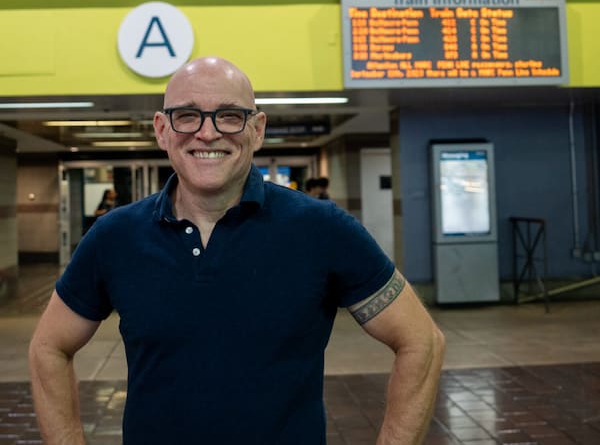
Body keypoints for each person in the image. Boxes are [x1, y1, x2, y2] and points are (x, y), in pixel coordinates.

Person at [29, 56, 445, 445]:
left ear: (257, 129)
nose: (207, 133)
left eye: (230, 116)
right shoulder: (114, 237)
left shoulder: (321, 229)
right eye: (187, 115)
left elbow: (421, 341)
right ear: (161, 129)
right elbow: (48, 347)